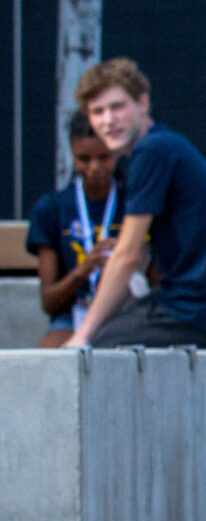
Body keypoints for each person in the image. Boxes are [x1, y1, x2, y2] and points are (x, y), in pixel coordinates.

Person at [66, 58, 206, 349]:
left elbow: (128, 255)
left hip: (189, 311)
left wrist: (82, 336)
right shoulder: (164, 145)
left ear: (142, 103)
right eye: (97, 112)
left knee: (98, 348)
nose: (108, 121)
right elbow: (143, 252)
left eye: (117, 107)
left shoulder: (151, 151)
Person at [24, 114, 124, 349]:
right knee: (51, 356)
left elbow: (156, 283)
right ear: (71, 152)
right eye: (84, 159)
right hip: (72, 313)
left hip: (124, 313)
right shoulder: (52, 208)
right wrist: (85, 269)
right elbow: (48, 302)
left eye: (104, 157)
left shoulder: (135, 205)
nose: (95, 167)